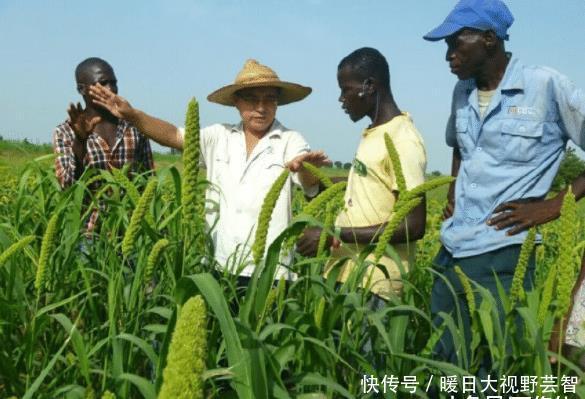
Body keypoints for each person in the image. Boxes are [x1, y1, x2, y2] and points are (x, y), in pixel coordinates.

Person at [423, 0, 585, 366]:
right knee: (444, 361)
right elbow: (461, 147)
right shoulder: (461, 91)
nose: (448, 55)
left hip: (503, 252)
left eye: (455, 44)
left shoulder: (545, 86)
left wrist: (556, 205)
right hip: (452, 250)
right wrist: (452, 192)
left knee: (494, 364)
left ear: (489, 39)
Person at [88, 59, 330, 279]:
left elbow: (306, 178)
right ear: (236, 102)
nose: (261, 107)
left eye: (269, 99)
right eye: (252, 99)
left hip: (269, 272)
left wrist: (307, 167)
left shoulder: (290, 140)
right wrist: (133, 115)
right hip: (218, 265)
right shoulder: (218, 136)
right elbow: (173, 135)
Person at [297, 47, 427, 301]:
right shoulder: (375, 132)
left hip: (375, 284)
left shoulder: (403, 139)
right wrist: (313, 177)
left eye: (345, 89)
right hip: (347, 273)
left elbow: (414, 225)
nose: (341, 99)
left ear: (368, 86)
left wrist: (333, 234)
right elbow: (368, 184)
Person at [53, 57, 154, 232]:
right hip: (89, 235)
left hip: (132, 233)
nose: (111, 89)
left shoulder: (135, 127)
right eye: (103, 83)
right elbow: (69, 188)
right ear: (81, 89)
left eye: (114, 83)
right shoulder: (65, 132)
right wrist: (80, 141)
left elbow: (149, 180)